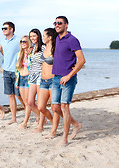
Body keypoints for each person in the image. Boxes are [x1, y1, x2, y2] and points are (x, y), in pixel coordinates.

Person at [51, 16, 86, 146]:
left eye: (59, 23)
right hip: (56, 78)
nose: (57, 25)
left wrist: (69, 75)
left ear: (66, 25)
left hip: (68, 79)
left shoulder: (73, 40)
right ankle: (76, 124)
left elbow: (82, 60)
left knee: (64, 107)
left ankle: (65, 138)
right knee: (55, 107)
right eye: (55, 23)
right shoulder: (56, 38)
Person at [0, 21, 25, 124]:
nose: (3, 30)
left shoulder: (19, 40)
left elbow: (27, 49)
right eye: (3, 28)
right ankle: (13, 118)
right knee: (10, 95)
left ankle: (31, 110)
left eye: (5, 28)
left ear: (11, 29)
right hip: (6, 71)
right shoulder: (1, 40)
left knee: (19, 95)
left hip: (17, 72)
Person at [36, 28, 60, 137]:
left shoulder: (56, 49)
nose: (42, 38)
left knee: (55, 108)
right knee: (41, 106)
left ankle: (53, 131)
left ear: (50, 37)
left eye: (44, 35)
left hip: (53, 81)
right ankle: (53, 122)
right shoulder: (44, 48)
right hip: (43, 81)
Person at [27, 29, 44, 128]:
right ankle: (42, 117)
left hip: (40, 75)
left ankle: (41, 124)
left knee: (40, 102)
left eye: (34, 36)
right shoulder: (32, 48)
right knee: (30, 102)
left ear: (38, 36)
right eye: (31, 36)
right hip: (32, 76)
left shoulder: (43, 47)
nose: (32, 38)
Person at [15, 36, 32, 129]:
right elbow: (17, 69)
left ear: (29, 42)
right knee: (25, 101)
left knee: (29, 102)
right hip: (21, 78)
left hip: (29, 79)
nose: (23, 43)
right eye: (21, 41)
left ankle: (25, 122)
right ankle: (38, 117)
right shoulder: (19, 54)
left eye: (25, 41)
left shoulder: (31, 53)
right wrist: (17, 81)